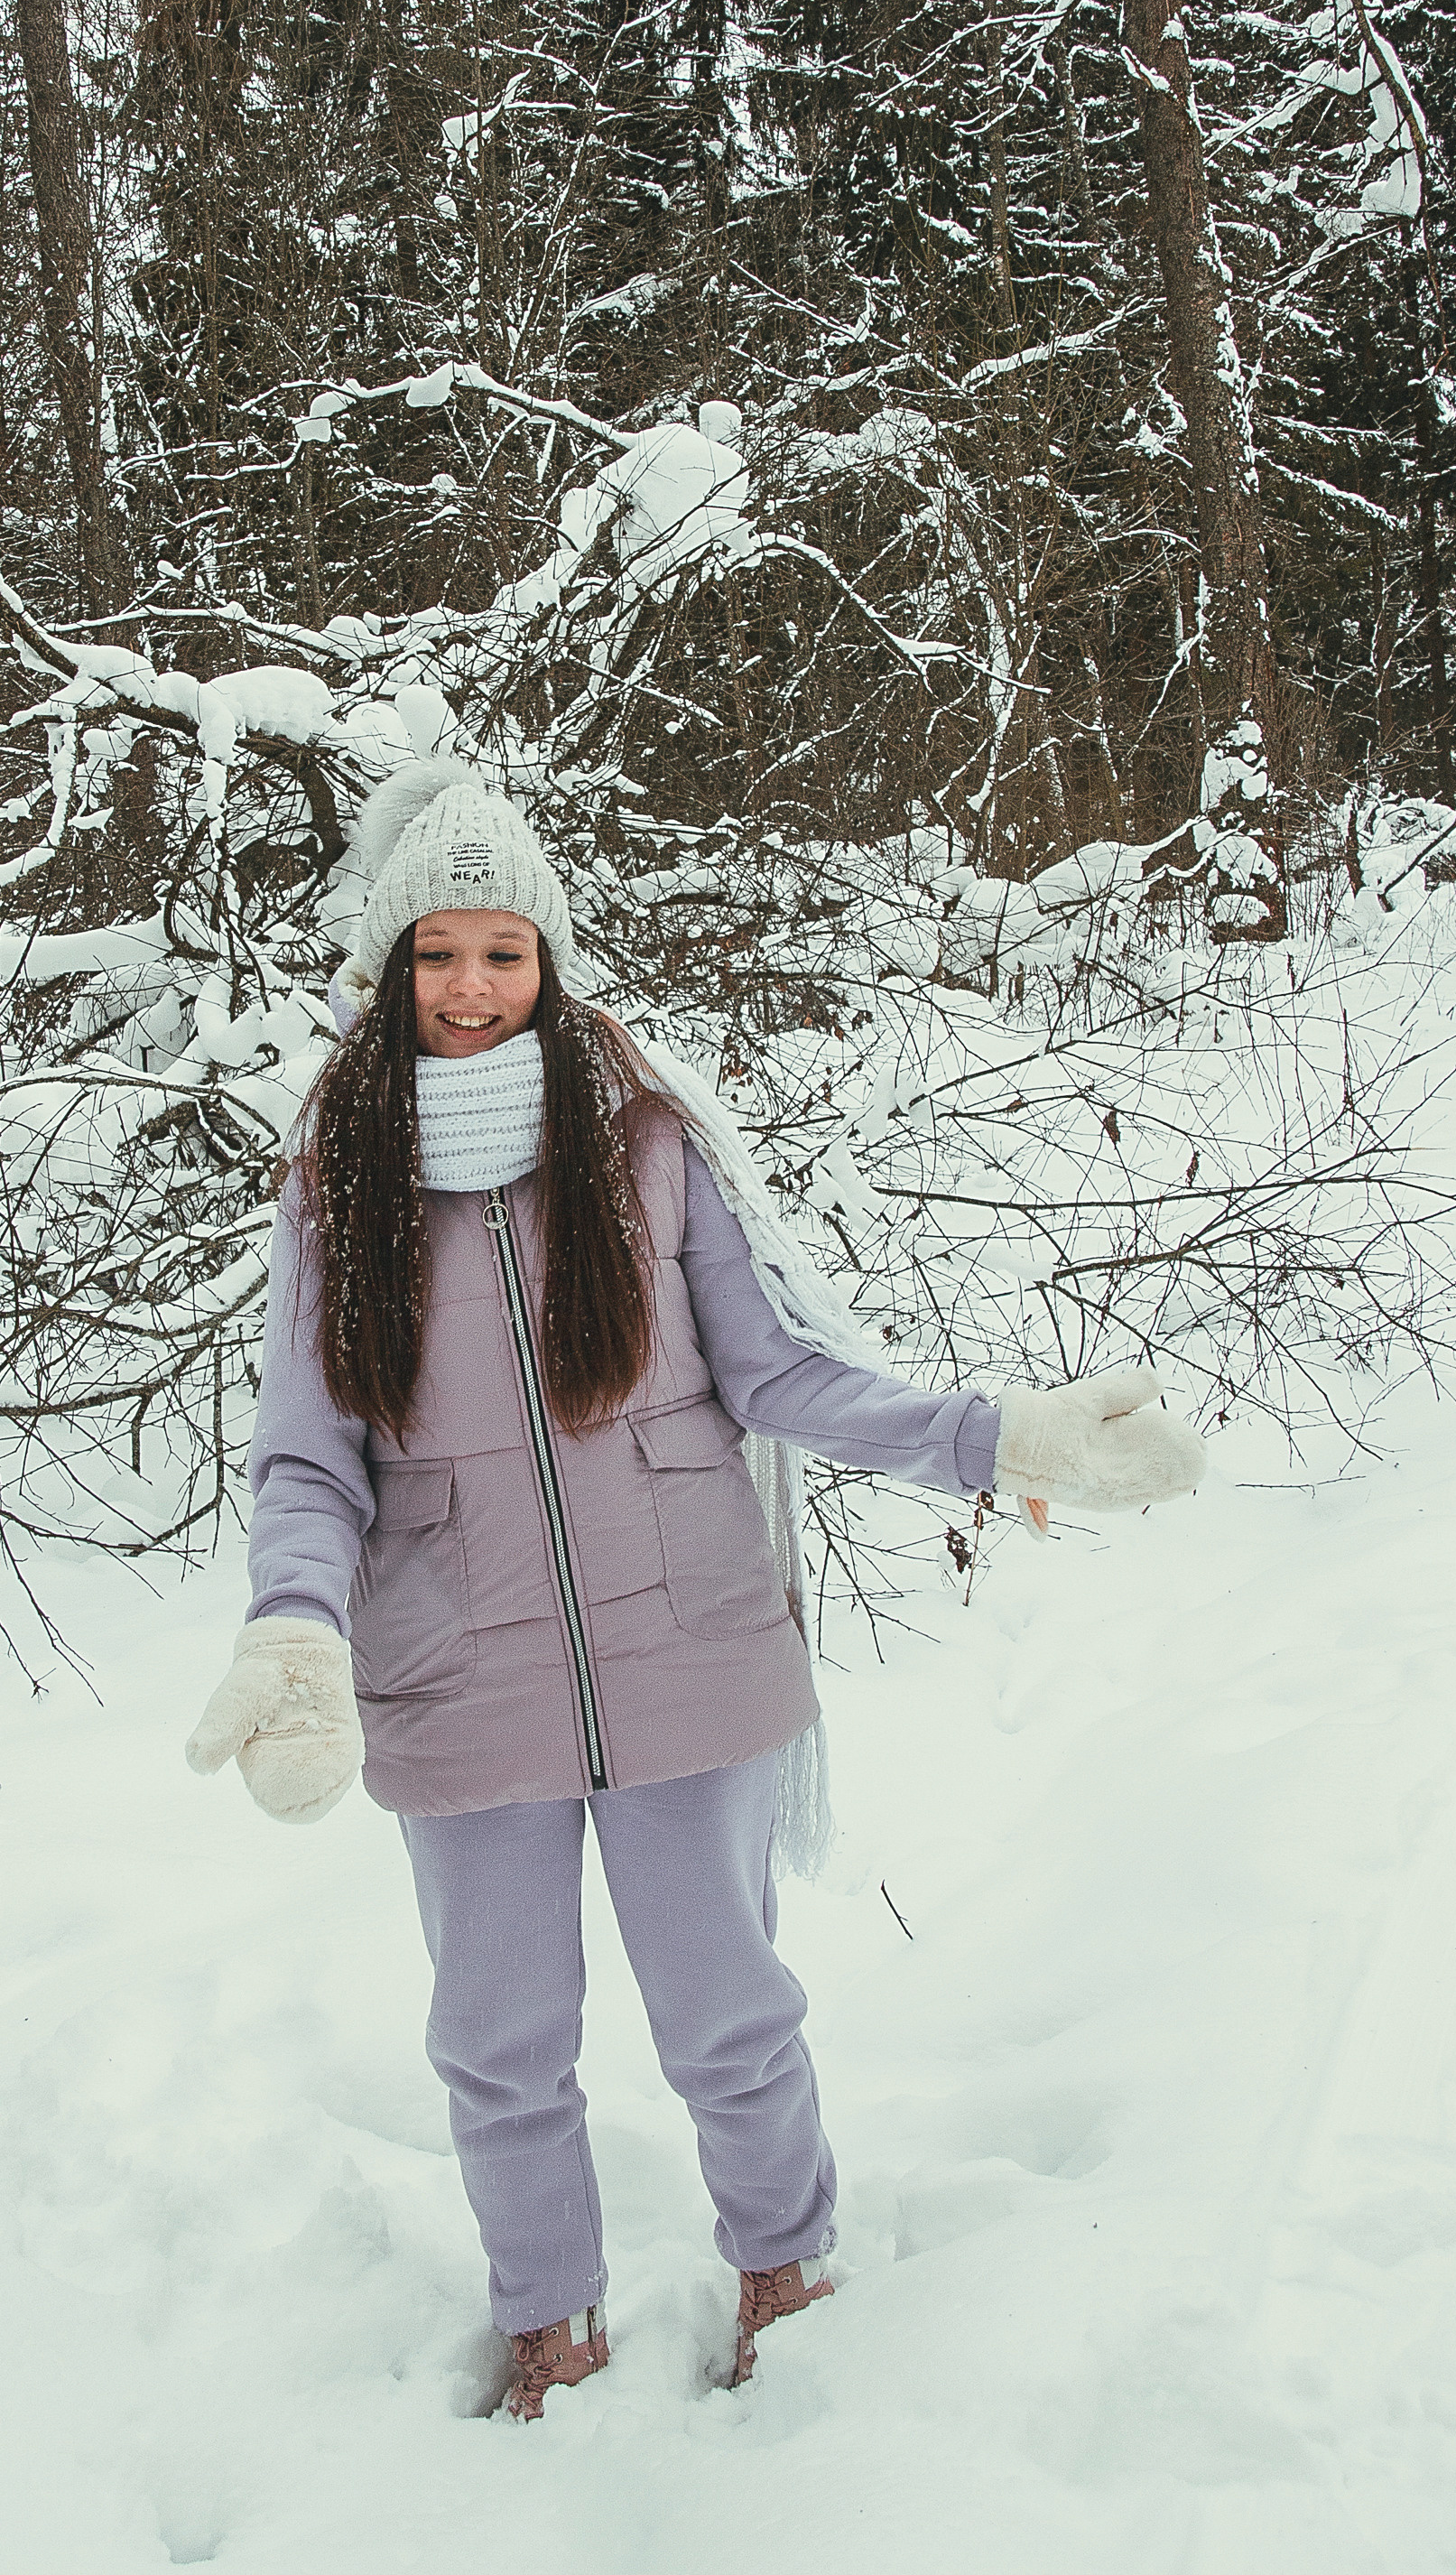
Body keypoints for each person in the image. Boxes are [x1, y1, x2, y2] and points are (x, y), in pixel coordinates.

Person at [186, 766, 1204, 2421]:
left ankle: (784, 2266)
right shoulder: (334, 1182)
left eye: (501, 952)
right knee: (498, 2047)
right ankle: (546, 2318)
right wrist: (294, 1627)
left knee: (729, 2013)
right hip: (453, 1667)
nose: (467, 990)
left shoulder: (646, 1142)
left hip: (689, 1644)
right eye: (435, 955)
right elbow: (309, 1461)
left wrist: (988, 1436)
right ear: (389, 970)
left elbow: (782, 1370)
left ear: (548, 958)